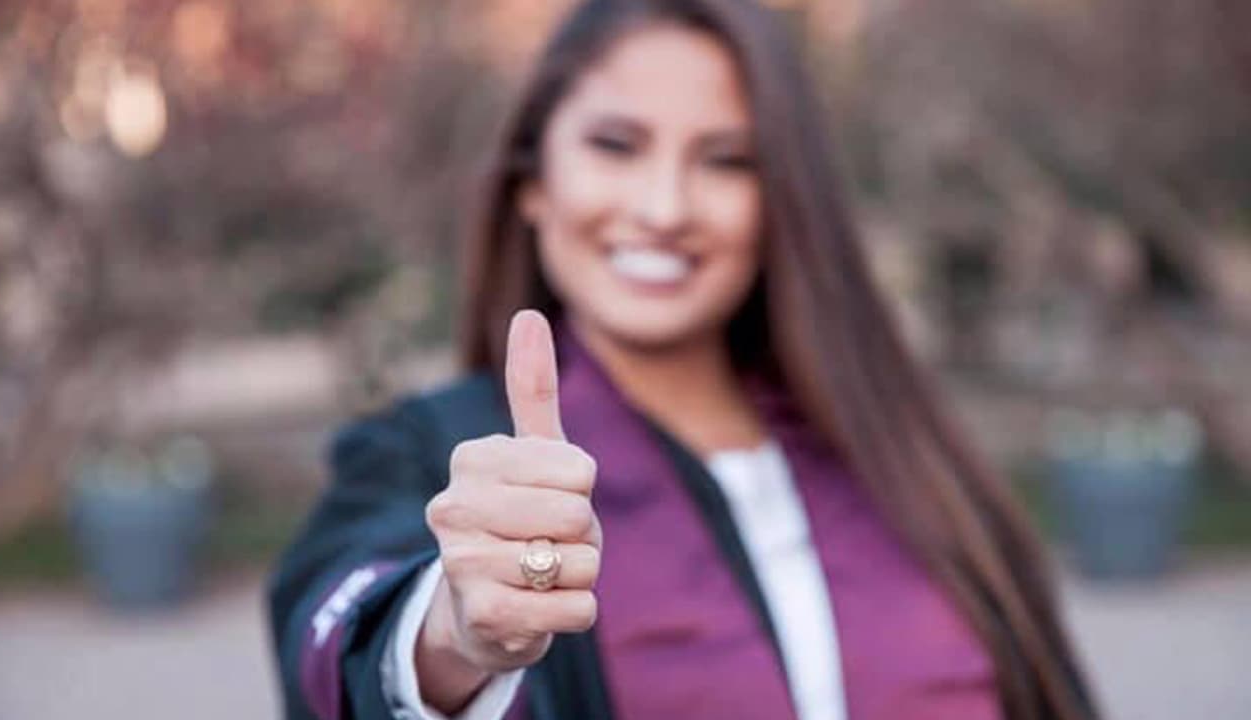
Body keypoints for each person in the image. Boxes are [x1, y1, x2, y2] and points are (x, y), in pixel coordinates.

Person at [267, 1, 1098, 719]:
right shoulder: (439, 459)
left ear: (782, 199)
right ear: (535, 180)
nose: (664, 208)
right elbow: (336, 638)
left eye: (727, 160)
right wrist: (452, 630)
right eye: (616, 145)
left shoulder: (898, 447)